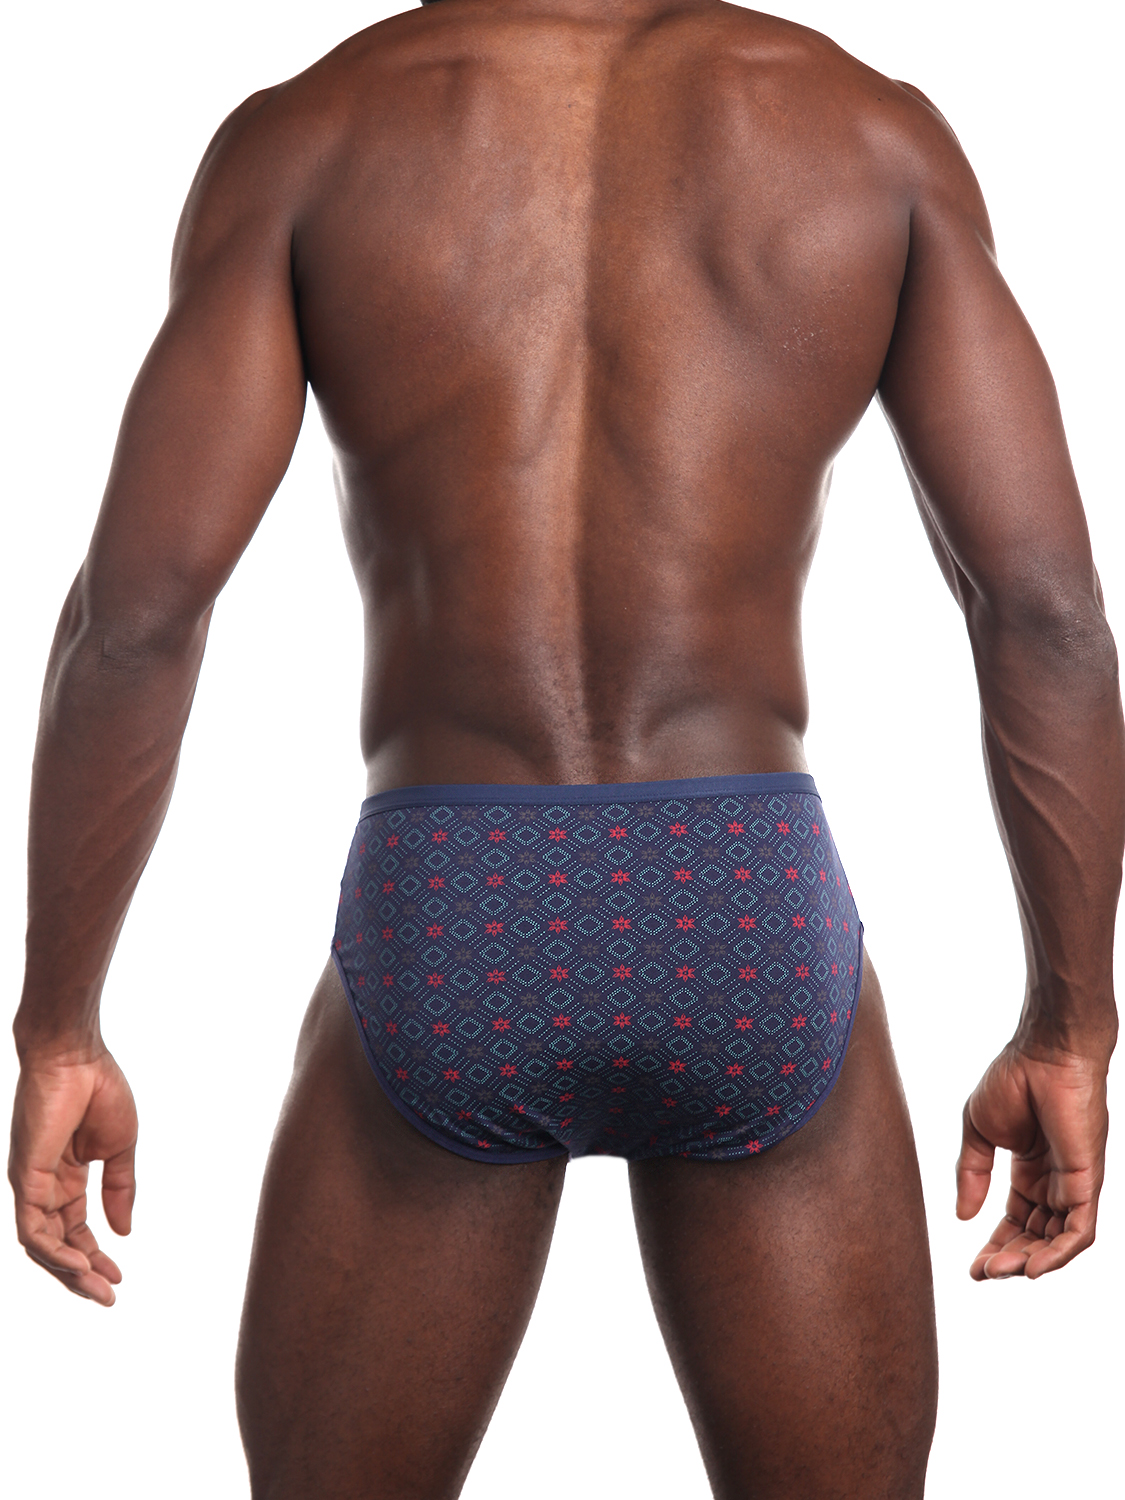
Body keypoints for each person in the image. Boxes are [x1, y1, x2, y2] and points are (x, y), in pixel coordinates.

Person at [8, 0, 1121, 1495]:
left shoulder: (310, 136)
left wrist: (60, 1025)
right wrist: (1070, 1025)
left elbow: (135, 623)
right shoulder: (869, 134)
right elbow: (1043, 612)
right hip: (741, 901)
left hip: (453, 902)